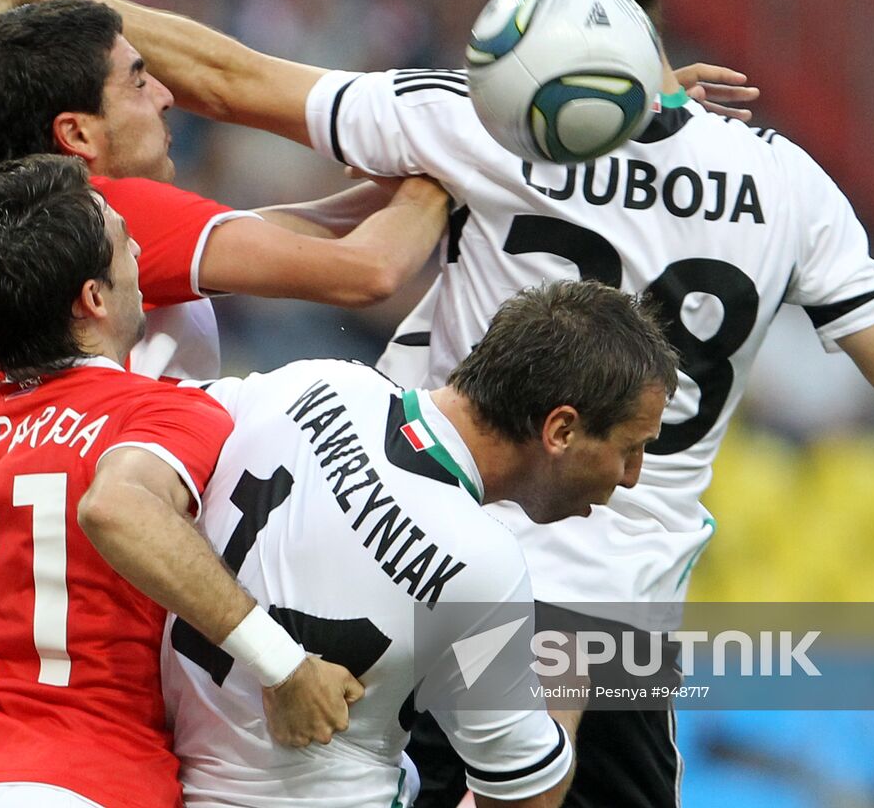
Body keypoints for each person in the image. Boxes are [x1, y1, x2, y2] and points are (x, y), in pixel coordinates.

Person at [0, 0, 874, 808]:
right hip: (608, 613)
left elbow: (232, 79)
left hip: (422, 544)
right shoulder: (787, 180)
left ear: (525, 1)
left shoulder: (466, 119)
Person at [0, 155, 362, 808]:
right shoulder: (157, 411)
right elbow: (116, 507)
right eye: (122, 238)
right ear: (93, 298)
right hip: (80, 778)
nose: (137, 249)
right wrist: (285, 667)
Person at [163, 278, 679, 808]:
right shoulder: (484, 567)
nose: (632, 477)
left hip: (162, 775)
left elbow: (144, 473)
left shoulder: (318, 380)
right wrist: (564, 685)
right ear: (561, 430)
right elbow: (526, 798)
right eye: (631, 448)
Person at [0, 0, 450, 433]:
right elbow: (369, 271)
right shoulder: (96, 210)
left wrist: (401, 186)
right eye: (138, 82)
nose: (167, 96)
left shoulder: (26, 223)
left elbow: (286, 235)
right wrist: (452, 159)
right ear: (76, 134)